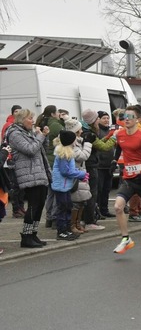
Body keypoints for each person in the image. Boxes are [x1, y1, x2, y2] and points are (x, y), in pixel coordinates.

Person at [111, 106, 141, 255]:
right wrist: (115, 159)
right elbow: (119, 147)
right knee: (118, 207)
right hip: (128, 178)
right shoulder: (119, 134)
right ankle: (126, 239)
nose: (126, 119)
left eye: (130, 117)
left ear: (137, 120)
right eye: (125, 116)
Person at [5, 108, 52, 248]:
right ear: (22, 120)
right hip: (28, 174)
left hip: (39, 173)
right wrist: (40, 136)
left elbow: (43, 148)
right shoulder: (14, 133)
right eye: (30, 118)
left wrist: (44, 136)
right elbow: (30, 150)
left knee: (40, 206)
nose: (32, 121)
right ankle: (26, 237)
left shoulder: (28, 132)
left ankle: (33, 234)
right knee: (33, 206)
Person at [51, 130, 89, 241]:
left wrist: (79, 173)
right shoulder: (64, 154)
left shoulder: (67, 153)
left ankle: (67, 229)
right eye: (74, 140)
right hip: (61, 186)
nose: (75, 141)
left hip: (65, 185)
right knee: (62, 208)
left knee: (68, 207)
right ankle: (61, 231)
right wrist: (81, 174)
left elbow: (69, 170)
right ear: (70, 141)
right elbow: (66, 171)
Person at [2, 104, 26, 218]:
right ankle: (16, 209)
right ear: (12, 113)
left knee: (21, 185)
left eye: (20, 111)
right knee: (15, 185)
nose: (18, 113)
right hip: (11, 159)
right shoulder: (9, 125)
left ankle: (21, 207)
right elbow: (6, 142)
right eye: (16, 111)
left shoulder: (18, 125)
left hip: (18, 158)